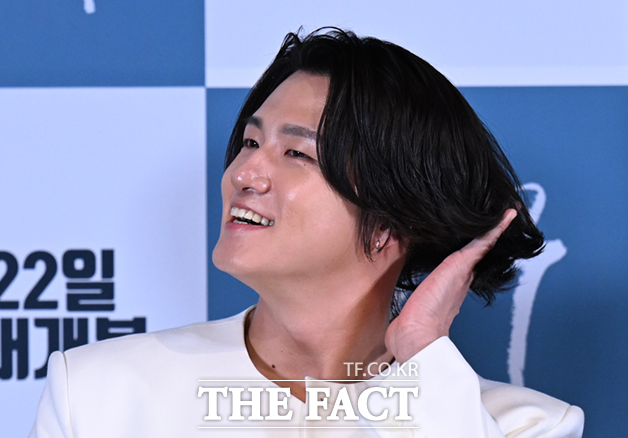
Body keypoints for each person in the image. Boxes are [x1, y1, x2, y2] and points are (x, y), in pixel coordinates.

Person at [29, 28, 584, 437]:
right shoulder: (97, 393)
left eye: (296, 153)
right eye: (250, 143)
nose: (244, 173)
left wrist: (421, 349)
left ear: (395, 218)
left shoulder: (522, 425)